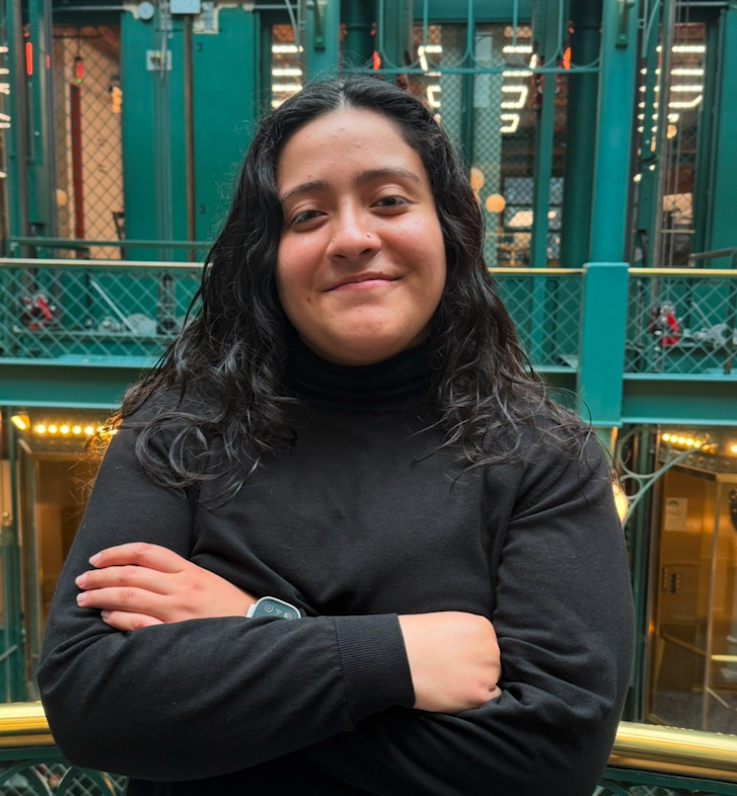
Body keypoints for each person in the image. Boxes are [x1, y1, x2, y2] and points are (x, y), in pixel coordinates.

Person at [38, 76, 634, 796]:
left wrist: (246, 628)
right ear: (268, 250)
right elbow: (91, 703)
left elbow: (548, 757)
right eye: (308, 213)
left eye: (388, 201)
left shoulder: (543, 455)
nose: (353, 237)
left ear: (446, 227)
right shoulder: (178, 427)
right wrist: (400, 657)